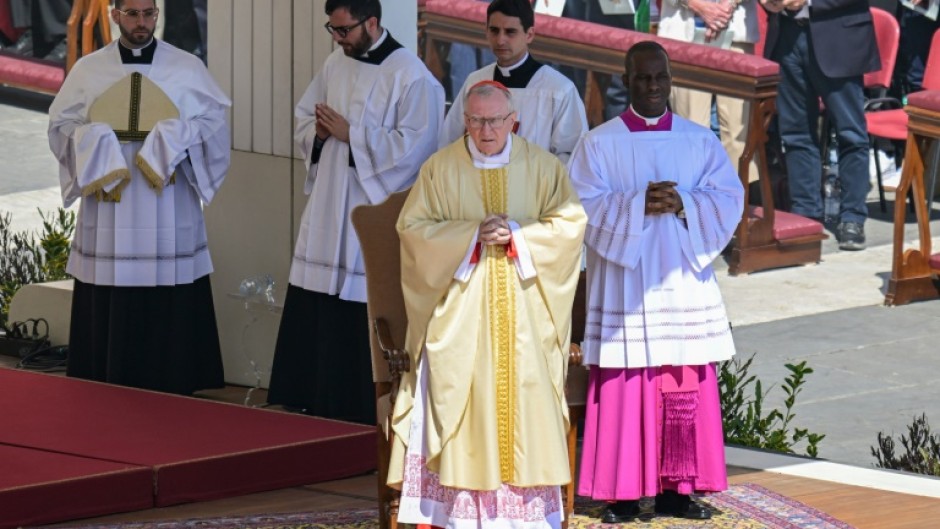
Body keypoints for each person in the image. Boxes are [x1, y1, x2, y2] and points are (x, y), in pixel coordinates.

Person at [390, 80, 586, 529]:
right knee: (454, 383)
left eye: (494, 120)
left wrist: (519, 234)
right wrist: (469, 235)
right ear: (464, 120)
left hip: (526, 316)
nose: (485, 130)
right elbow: (413, 229)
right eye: (475, 120)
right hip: (459, 318)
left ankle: (526, 520)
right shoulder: (439, 170)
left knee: (529, 392)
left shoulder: (543, 167)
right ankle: (459, 517)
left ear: (513, 120)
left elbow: (571, 225)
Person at [568, 41, 742, 523]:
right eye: (642, 78)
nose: (652, 87)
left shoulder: (698, 140)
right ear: (626, 80)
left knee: (679, 380)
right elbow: (578, 208)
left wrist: (685, 202)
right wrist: (635, 205)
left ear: (671, 79)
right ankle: (622, 494)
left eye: (660, 78)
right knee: (627, 382)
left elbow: (728, 198)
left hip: (681, 281)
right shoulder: (599, 142)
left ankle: (677, 491)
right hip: (627, 284)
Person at [267, 0, 444, 425]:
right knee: (318, 289)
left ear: (372, 23)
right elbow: (303, 120)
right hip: (331, 197)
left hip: (370, 206)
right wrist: (321, 133)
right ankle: (308, 394)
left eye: (344, 30)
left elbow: (416, 148)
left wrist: (353, 135)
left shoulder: (412, 77)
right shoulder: (335, 63)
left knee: (358, 297)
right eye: (333, 29)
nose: (338, 38)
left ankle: (353, 404)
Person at [47, 0, 230, 395]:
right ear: (115, 15)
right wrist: (91, 139)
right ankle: (107, 376)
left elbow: (214, 125)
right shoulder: (89, 70)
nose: (142, 22)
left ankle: (173, 379)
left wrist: (176, 138)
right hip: (111, 202)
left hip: (166, 196)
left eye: (149, 13)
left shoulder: (186, 68)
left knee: (167, 281)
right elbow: (60, 125)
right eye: (132, 14)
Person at [761, 0, 879, 250]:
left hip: (838, 38)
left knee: (850, 133)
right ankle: (805, 214)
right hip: (786, 35)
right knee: (795, 133)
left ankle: (852, 218)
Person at [440, 0, 587, 163]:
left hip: (535, 186)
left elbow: (572, 158)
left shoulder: (559, 90)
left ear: (529, 35)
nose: (500, 40)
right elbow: (449, 144)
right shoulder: (475, 81)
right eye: (494, 31)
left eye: (510, 32)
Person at [658, 0, 761, 185]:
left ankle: (737, 206)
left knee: (738, 132)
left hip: (735, 30)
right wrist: (698, 5)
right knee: (690, 131)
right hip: (683, 33)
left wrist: (726, 6)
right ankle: (692, 205)